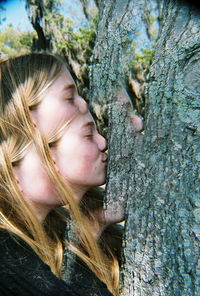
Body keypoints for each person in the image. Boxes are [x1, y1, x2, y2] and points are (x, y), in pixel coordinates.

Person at [0, 53, 142, 296]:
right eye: (69, 96)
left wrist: (92, 229)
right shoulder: (8, 261)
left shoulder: (52, 239)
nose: (104, 143)